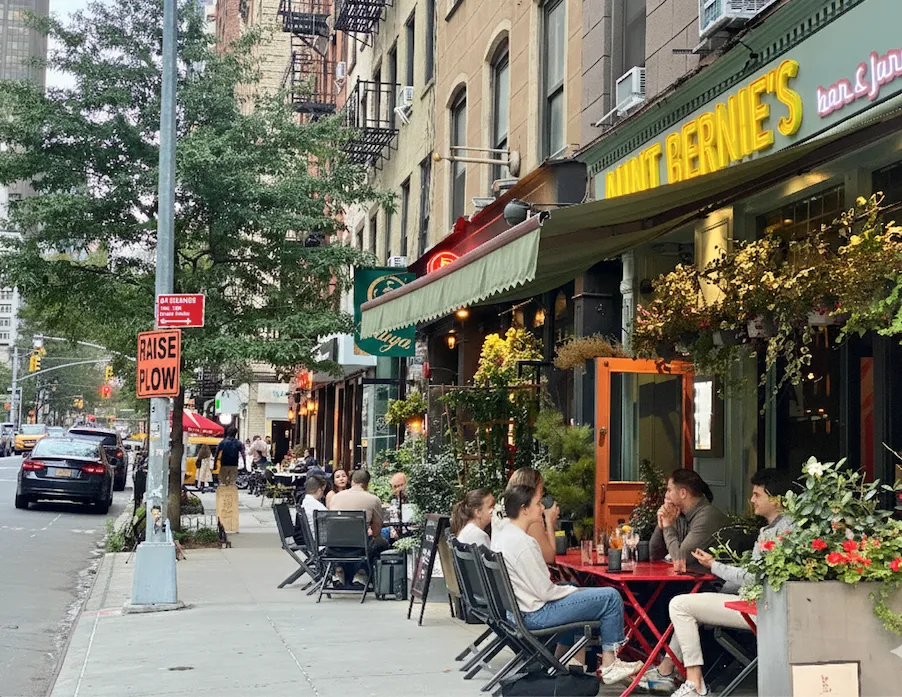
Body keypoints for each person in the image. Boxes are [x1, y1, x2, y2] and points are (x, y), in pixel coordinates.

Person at [641, 470, 795, 697]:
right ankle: (671, 673)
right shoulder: (773, 529)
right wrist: (664, 524)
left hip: (760, 607)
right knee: (685, 604)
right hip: (750, 599)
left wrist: (714, 566)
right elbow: (656, 553)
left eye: (756, 495)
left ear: (776, 499)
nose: (751, 500)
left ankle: (694, 683)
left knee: (680, 605)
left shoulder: (780, 532)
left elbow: (753, 578)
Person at [492, 484, 642, 685]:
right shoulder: (523, 543)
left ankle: (564, 658)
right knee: (611, 597)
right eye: (537, 504)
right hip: (534, 614)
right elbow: (545, 591)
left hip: (517, 612)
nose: (541, 508)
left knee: (575, 593)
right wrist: (572, 590)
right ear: (524, 508)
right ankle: (609, 663)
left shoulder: (503, 535)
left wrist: (571, 590)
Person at [650, 469, 730, 571]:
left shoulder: (707, 517)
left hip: (711, 584)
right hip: (688, 579)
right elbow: (654, 555)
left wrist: (668, 526)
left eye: (669, 490)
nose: (666, 495)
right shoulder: (678, 513)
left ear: (683, 493)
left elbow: (681, 561)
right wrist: (661, 526)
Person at [328, 469, 390, 586]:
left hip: (334, 546)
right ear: (367, 484)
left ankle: (339, 570)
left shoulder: (335, 498)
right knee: (380, 542)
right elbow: (376, 532)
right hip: (359, 547)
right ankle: (361, 573)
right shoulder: (373, 500)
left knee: (350, 539)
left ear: (351, 482)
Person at [496, 467, 559, 564]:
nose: (542, 492)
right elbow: (549, 557)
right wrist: (549, 521)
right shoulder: (528, 519)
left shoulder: (503, 516)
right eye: (540, 488)